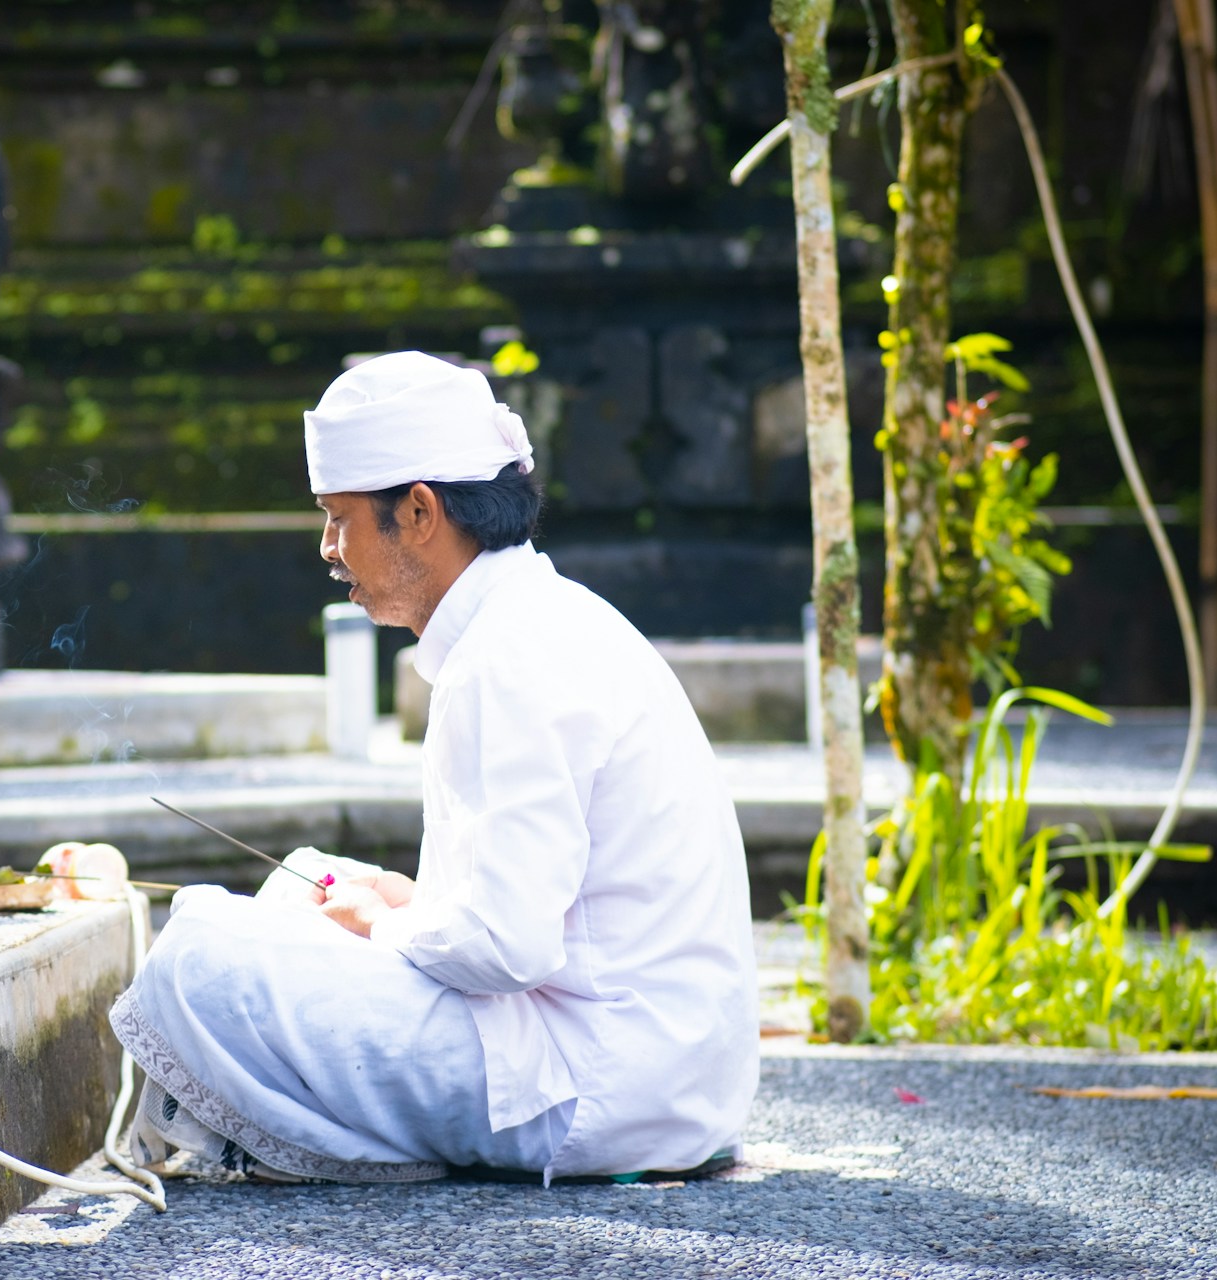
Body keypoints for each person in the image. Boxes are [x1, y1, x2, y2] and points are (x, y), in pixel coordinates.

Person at [110, 350, 757, 1184]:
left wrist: (382, 924)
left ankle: (282, 1145)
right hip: (652, 1073)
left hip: (598, 1086)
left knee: (199, 955)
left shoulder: (512, 655)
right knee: (308, 880)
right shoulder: (533, 621)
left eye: (340, 519)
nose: (328, 548)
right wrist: (404, 902)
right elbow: (547, 911)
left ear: (418, 512)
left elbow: (506, 947)